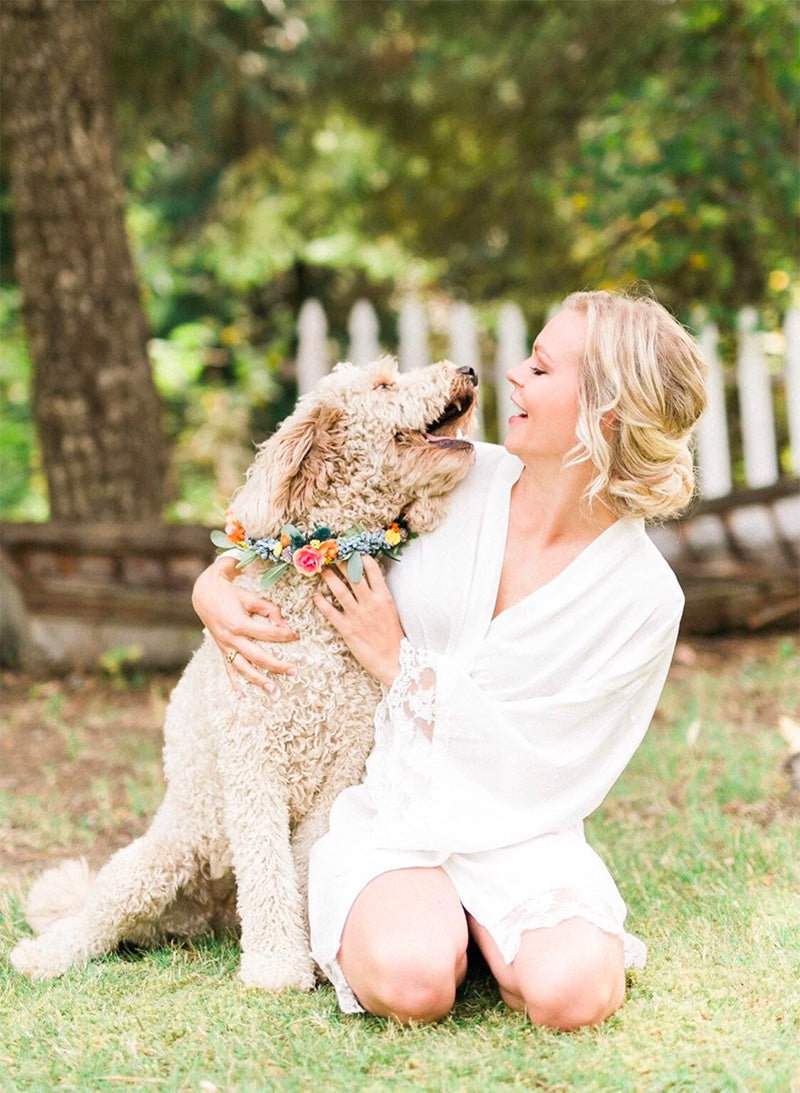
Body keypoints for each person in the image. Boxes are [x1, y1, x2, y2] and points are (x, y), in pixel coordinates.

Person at [192, 289, 707, 1030]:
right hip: (389, 805)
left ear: (607, 410)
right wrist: (212, 584)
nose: (513, 381)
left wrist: (399, 662)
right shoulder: (451, 477)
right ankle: (436, 926)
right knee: (412, 982)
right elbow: (299, 525)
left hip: (521, 827)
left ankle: (488, 922)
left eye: (539, 368)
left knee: (576, 995)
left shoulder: (643, 598)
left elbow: (555, 769)